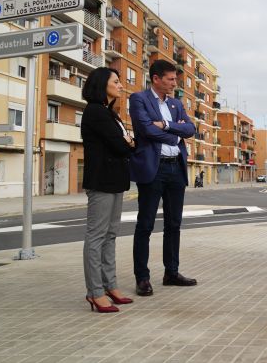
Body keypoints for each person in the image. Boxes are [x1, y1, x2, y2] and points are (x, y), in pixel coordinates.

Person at [129, 59, 197, 296]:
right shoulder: (138, 99)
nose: (174, 83)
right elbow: (146, 129)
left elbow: (191, 129)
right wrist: (175, 135)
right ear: (156, 79)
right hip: (153, 169)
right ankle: (142, 278)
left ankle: (171, 272)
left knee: (174, 224)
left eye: (175, 79)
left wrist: (166, 125)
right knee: (145, 225)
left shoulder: (177, 104)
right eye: (170, 79)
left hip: (176, 168)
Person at [81, 67, 135, 313]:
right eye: (116, 81)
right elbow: (121, 146)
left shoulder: (110, 113)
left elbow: (124, 144)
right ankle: (95, 292)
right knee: (96, 236)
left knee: (111, 235)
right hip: (101, 181)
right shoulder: (95, 112)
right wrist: (128, 143)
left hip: (115, 181)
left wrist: (127, 143)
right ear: (103, 84)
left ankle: (110, 285)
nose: (121, 85)